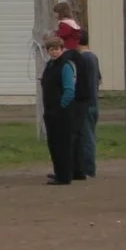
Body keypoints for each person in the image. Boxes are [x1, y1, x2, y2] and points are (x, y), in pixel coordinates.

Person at [40, 30, 82, 186]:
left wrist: (61, 107)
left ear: (62, 49)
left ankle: (64, 176)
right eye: (52, 49)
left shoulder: (66, 66)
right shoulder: (50, 65)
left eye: (57, 49)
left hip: (62, 112)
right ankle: (59, 171)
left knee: (63, 143)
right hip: (50, 111)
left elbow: (69, 90)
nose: (55, 52)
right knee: (54, 143)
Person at [71, 28, 103, 177]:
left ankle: (88, 168)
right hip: (92, 101)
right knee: (85, 135)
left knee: (87, 137)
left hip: (87, 103)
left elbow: (89, 83)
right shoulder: (92, 57)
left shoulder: (85, 58)